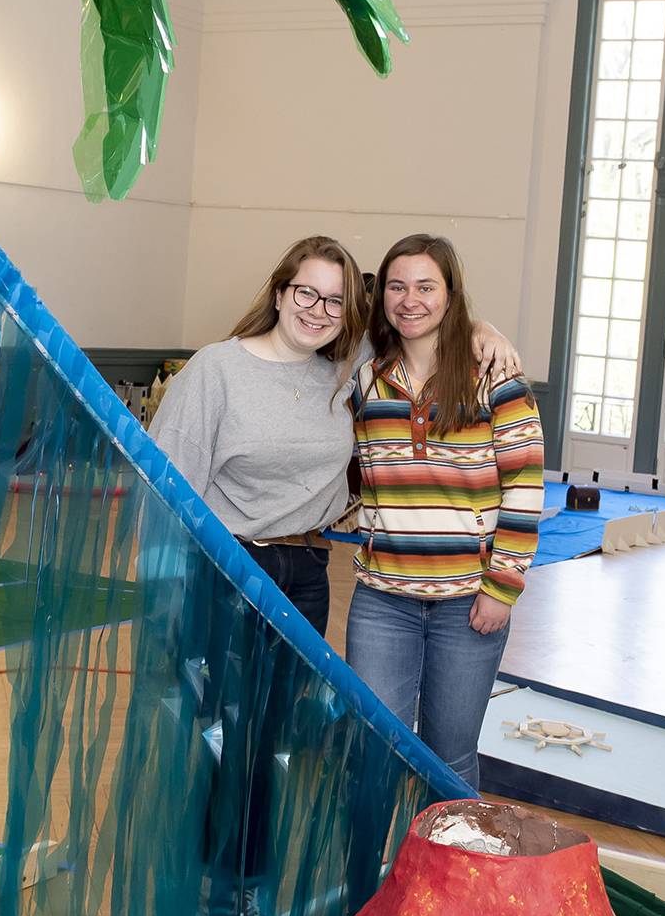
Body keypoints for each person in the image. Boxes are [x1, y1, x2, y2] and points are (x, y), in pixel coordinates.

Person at [149, 235, 519, 634]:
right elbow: (165, 482)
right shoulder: (216, 368)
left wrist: (481, 329)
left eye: (335, 301)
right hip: (227, 564)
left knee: (291, 698)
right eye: (306, 293)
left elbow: (415, 322)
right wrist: (163, 579)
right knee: (222, 698)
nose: (318, 311)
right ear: (278, 295)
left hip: (308, 570)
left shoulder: (346, 370)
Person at [343, 235, 544, 790]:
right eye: (397, 286)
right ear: (380, 294)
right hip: (383, 602)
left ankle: (448, 877)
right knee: (372, 749)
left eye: (426, 287)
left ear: (451, 296)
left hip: (467, 604)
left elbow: (525, 488)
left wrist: (502, 587)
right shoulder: (364, 380)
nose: (410, 300)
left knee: (449, 757)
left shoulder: (495, 379)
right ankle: (377, 875)